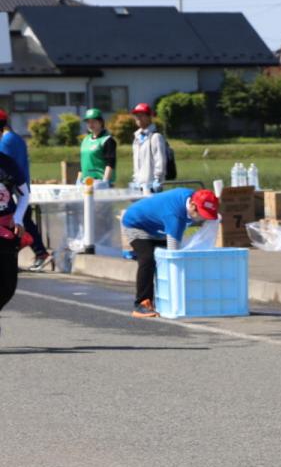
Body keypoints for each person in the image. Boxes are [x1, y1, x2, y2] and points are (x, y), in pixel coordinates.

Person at [121, 188, 219, 318]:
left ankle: (167, 298)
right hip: (137, 225)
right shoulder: (174, 216)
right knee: (148, 259)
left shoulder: (196, 196)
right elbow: (173, 253)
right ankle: (141, 304)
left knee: (167, 255)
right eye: (201, 214)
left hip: (158, 227)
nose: (202, 219)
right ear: (192, 205)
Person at [0, 110, 51, 272]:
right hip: (17, 190)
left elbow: (9, 174)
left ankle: (40, 253)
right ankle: (39, 253)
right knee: (25, 222)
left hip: (11, 196)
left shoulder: (7, 145)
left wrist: (17, 216)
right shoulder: (18, 139)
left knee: (22, 223)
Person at [0, 149, 31, 331]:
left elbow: (24, 194)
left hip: (6, 228)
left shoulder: (8, 163)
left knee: (8, 285)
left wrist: (19, 218)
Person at [131, 102, 167, 193]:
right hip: (139, 186)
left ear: (149, 117)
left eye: (141, 115)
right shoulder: (136, 138)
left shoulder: (156, 137)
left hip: (152, 187)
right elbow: (136, 164)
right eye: (136, 115)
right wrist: (135, 181)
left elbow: (161, 163)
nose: (138, 118)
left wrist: (157, 182)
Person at [80, 108, 117, 185]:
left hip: (100, 181)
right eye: (88, 122)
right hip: (85, 182)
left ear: (101, 122)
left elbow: (110, 163)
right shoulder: (85, 139)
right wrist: (79, 179)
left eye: (93, 121)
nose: (90, 124)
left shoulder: (107, 140)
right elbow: (83, 162)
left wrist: (105, 182)